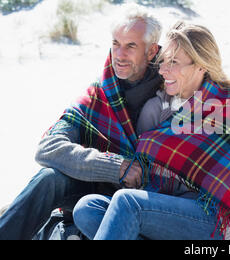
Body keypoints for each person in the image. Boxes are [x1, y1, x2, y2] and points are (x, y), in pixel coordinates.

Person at [72, 21, 230, 240]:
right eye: (164, 61)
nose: (163, 70)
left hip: (213, 219)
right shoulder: (159, 107)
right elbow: (146, 172)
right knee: (88, 208)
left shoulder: (227, 106)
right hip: (167, 211)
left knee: (128, 202)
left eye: (173, 62)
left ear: (201, 65)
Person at [0, 5, 163, 240]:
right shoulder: (100, 92)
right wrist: (115, 166)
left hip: (148, 202)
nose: (119, 54)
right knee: (49, 179)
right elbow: (49, 147)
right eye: (116, 43)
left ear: (151, 51)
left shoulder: (171, 88)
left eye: (131, 46)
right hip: (91, 192)